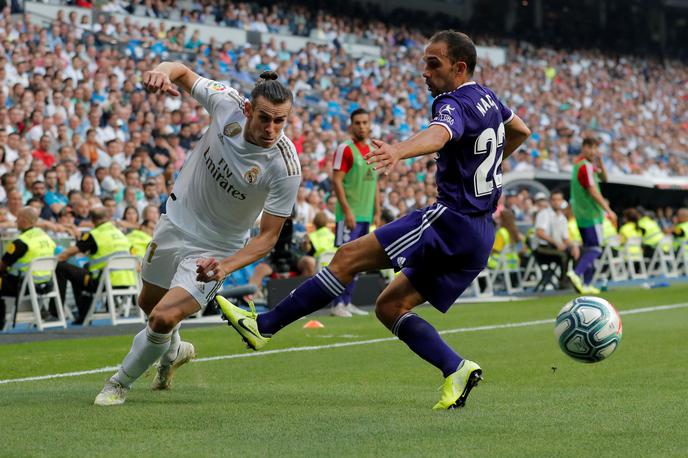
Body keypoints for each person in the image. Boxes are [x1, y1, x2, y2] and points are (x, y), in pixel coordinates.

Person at [201, 30, 531, 410]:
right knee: (389, 307)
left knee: (346, 259)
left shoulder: (452, 100)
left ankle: (263, 326)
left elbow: (440, 134)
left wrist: (398, 150)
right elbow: (520, 130)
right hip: (480, 232)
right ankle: (456, 368)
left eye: (433, 63)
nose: (424, 71)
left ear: (459, 68)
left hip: (451, 221)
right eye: (424, 61)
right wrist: (485, 165)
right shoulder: (489, 98)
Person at [94, 64, 300, 406]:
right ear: (248, 109)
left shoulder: (284, 166)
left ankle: (119, 383)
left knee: (163, 317)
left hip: (216, 250)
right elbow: (182, 73)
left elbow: (267, 238)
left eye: (281, 121)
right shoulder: (226, 104)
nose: (272, 128)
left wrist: (226, 266)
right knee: (148, 304)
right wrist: (161, 70)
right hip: (175, 222)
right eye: (265, 118)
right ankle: (173, 351)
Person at [329, 108, 380, 317]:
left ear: (370, 124)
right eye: (357, 123)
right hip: (349, 216)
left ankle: (348, 302)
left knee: (358, 262)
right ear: (351, 125)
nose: (361, 126)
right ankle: (336, 304)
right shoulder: (345, 149)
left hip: (366, 215)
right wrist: (347, 211)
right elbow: (336, 180)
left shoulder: (373, 149)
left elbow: (375, 183)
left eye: (365, 122)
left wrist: (377, 211)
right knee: (344, 260)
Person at [56, 207, 137, 324]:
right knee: (82, 271)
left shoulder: (94, 235)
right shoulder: (120, 234)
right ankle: (83, 315)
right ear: (108, 218)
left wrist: (52, 262)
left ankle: (55, 313)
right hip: (128, 281)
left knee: (61, 267)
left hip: (101, 283)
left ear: (93, 220)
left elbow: (66, 254)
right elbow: (134, 256)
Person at [567, 137, 616, 294]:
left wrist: (600, 162)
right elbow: (593, 191)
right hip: (591, 214)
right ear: (584, 148)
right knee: (596, 249)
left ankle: (586, 284)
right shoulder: (585, 166)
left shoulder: (581, 166)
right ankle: (576, 273)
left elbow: (605, 179)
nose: (593, 151)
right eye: (590, 147)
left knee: (589, 248)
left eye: (596, 148)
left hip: (581, 214)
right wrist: (608, 210)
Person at [0, 207, 57, 329]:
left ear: (24, 221)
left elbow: (3, 265)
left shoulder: (21, 242)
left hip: (22, 286)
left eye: (18, 219)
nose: (15, 222)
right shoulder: (46, 237)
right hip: (46, 284)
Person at [532, 191, 579, 289]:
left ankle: (574, 279)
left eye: (559, 200)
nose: (556, 202)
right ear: (550, 201)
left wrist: (574, 246)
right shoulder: (544, 214)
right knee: (563, 255)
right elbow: (540, 233)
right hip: (541, 248)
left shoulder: (562, 218)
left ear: (562, 201)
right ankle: (563, 282)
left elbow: (565, 239)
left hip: (554, 247)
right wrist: (556, 243)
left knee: (577, 251)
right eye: (554, 200)